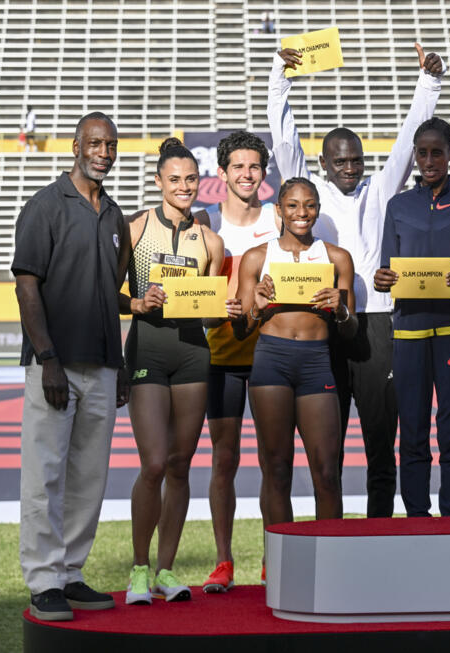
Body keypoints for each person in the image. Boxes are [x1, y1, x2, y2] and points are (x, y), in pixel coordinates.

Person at [268, 42, 445, 517]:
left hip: (378, 329)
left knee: (380, 441)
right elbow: (285, 142)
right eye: (340, 162)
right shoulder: (310, 194)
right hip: (324, 327)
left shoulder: (382, 190)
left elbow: (410, 141)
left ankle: (380, 530)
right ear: (323, 164)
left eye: (355, 161)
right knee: (329, 448)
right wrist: (279, 80)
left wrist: (428, 82)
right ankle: (337, 534)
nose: (349, 169)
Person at [13, 111, 129, 621]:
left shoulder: (116, 216)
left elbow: (111, 293)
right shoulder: (44, 206)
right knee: (46, 474)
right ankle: (43, 580)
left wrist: (120, 362)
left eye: (111, 145)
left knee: (89, 477)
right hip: (54, 366)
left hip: (102, 365)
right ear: (76, 147)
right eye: (95, 143)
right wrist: (48, 358)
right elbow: (26, 285)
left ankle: (71, 573)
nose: (103, 152)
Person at [121, 137, 240, 605]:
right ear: (159, 182)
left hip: (194, 356)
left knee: (179, 466)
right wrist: (136, 301)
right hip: (148, 352)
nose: (185, 187)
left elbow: (209, 311)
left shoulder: (211, 241)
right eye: (175, 180)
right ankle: (137, 568)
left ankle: (166, 570)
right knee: (153, 463)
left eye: (191, 179)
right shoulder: (135, 230)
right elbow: (111, 292)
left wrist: (223, 310)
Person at [374, 117, 450, 517]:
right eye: (421, 152)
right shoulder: (398, 205)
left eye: (436, 151)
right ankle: (417, 518)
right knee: (413, 430)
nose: (428, 160)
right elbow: (385, 269)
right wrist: (382, 278)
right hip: (408, 331)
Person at [235, 177, 357, 533]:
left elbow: (351, 330)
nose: (301, 213)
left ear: (318, 209)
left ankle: (331, 561)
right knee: (276, 468)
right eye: (292, 205)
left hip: (317, 361)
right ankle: (279, 562)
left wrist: (341, 310)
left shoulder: (336, 258)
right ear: (279, 211)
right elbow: (241, 329)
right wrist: (257, 307)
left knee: (326, 470)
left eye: (309, 205)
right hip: (272, 361)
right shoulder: (257, 258)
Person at [196, 130, 281, 592]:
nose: (246, 175)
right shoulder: (203, 222)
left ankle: (273, 558)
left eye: (254, 167)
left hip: (271, 353)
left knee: (272, 460)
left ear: (264, 174)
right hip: (221, 356)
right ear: (222, 172)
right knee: (224, 459)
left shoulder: (278, 217)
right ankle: (224, 561)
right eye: (238, 167)